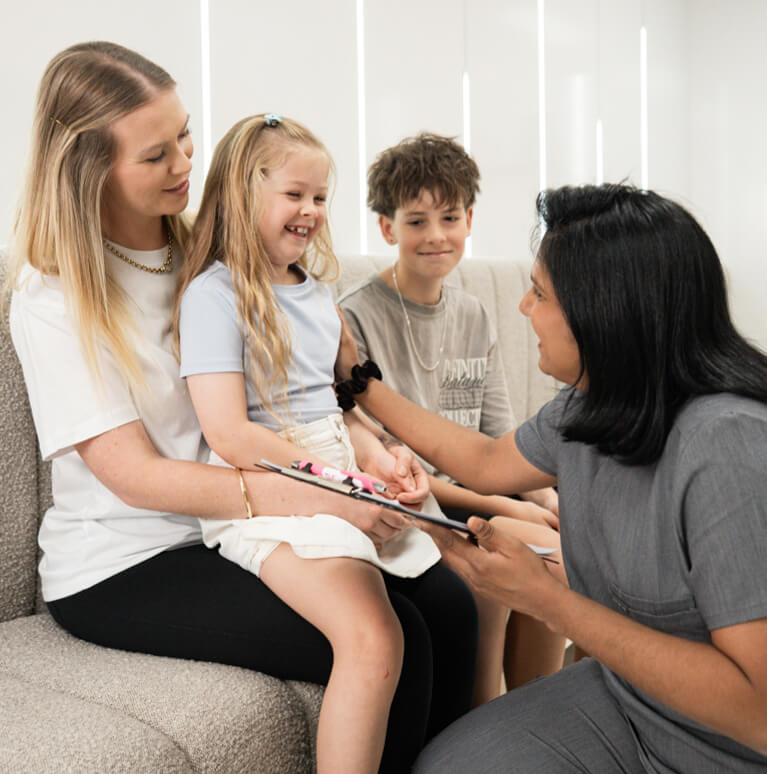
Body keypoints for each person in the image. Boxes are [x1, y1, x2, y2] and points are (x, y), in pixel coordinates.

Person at [7, 42, 478, 774]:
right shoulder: (55, 297)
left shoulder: (212, 259)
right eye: (156, 154)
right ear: (90, 169)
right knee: (398, 644)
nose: (185, 164)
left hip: (238, 516)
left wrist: (367, 459)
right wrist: (327, 496)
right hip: (129, 560)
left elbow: (300, 388)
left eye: (185, 135)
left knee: (449, 605)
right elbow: (134, 476)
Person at [335, 182, 767, 773]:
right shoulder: (591, 405)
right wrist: (359, 382)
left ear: (605, 312)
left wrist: (546, 601)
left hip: (725, 746)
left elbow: (757, 712)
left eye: (539, 293)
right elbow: (485, 463)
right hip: (626, 698)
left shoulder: (729, 447)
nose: (522, 308)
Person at [174, 113, 449, 773]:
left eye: (320, 197)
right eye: (294, 194)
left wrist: (380, 456)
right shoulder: (214, 296)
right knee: (373, 637)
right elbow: (230, 434)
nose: (311, 211)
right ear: (244, 195)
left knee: (460, 597)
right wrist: (340, 490)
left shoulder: (317, 293)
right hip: (269, 489)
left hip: (337, 469)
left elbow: (337, 406)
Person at [338, 132, 564, 696]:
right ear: (388, 228)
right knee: (526, 548)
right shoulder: (354, 318)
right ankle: (483, 715)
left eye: (449, 217)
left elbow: (499, 439)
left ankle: (539, 712)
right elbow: (383, 467)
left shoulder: (474, 312)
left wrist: (552, 498)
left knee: (562, 545)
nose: (436, 236)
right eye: (416, 221)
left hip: (482, 488)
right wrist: (504, 505)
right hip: (416, 501)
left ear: (469, 219)